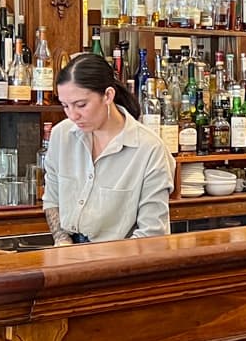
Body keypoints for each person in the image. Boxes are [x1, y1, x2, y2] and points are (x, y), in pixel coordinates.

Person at [43, 53, 173, 244]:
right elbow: (52, 199)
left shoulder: (150, 149)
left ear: (108, 95)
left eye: (81, 105)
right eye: (65, 106)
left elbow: (151, 234)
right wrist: (62, 241)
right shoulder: (61, 135)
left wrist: (98, 261)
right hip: (70, 257)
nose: (72, 115)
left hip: (122, 262)